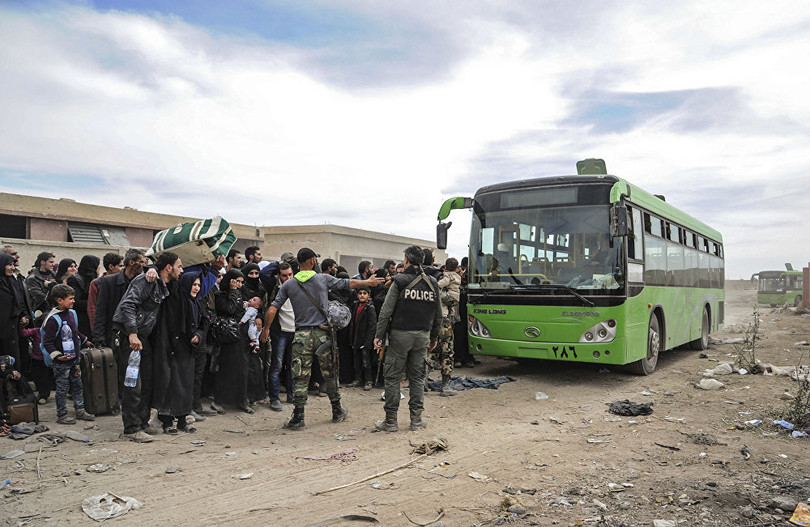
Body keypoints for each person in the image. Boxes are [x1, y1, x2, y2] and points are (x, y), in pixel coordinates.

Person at [260, 247, 381, 430]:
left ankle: (298, 418)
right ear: (311, 262)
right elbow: (347, 283)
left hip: (300, 335)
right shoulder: (322, 279)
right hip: (322, 334)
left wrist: (266, 329)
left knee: (300, 376)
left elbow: (272, 308)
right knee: (330, 373)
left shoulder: (289, 285)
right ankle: (337, 410)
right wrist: (369, 283)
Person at [113, 251, 183, 442]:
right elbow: (128, 306)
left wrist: (151, 268)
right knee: (132, 384)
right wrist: (133, 333)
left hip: (144, 339)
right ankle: (131, 428)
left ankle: (142, 423)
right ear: (168, 267)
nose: (181, 270)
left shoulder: (161, 284)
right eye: (179, 266)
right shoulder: (145, 281)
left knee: (148, 382)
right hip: (132, 338)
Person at [373, 245, 442, 432]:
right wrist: (434, 337)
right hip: (423, 336)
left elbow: (386, 312)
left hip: (400, 336)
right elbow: (438, 315)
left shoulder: (400, 281)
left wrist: (379, 335)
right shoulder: (433, 283)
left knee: (393, 377)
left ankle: (391, 421)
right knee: (418, 378)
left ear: (406, 260)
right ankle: (416, 421)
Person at [153, 271, 206, 434]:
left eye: (198, 285)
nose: (196, 288)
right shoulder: (174, 299)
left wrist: (197, 335)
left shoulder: (197, 303)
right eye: (193, 284)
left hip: (188, 351)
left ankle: (183, 419)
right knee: (171, 385)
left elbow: (203, 324)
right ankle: (167, 421)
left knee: (186, 385)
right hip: (172, 349)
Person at [41, 284, 95, 424]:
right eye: (70, 299)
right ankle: (62, 414)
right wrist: (57, 355)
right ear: (59, 300)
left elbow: (74, 331)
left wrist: (85, 340)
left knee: (77, 386)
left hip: (74, 359)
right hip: (61, 363)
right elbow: (47, 342)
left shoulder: (71, 314)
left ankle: (80, 410)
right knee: (62, 389)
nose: (73, 301)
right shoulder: (53, 319)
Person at [213, 269, 265, 414]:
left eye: (242, 282)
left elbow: (253, 307)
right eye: (237, 281)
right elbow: (229, 309)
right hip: (229, 336)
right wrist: (233, 291)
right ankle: (222, 401)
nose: (240, 285)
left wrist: (259, 317)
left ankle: (244, 399)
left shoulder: (243, 293)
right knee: (228, 368)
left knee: (246, 368)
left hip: (243, 336)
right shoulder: (220, 295)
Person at [266, 262, 295, 412]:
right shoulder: (275, 288)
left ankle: (291, 394)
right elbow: (264, 273)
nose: (287, 278)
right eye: (284, 275)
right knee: (276, 366)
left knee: (292, 366)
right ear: (278, 276)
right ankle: (274, 398)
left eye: (290, 274)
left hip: (295, 331)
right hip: (280, 332)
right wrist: (278, 263)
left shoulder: (298, 286)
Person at [431, 257, 462, 396]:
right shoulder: (447, 280)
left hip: (438, 319)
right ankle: (445, 386)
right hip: (445, 320)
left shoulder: (441, 277)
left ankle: (423, 379)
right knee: (447, 352)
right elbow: (451, 299)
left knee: (434, 350)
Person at [0, 254, 29, 364]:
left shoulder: (13, 281)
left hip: (12, 330)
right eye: (9, 265)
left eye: (13, 265)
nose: (13, 268)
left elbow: (20, 303)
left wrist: (24, 317)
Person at [87, 252, 123, 334]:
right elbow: (92, 308)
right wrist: (96, 332)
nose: (122, 268)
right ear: (111, 267)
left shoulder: (122, 282)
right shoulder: (97, 283)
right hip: (105, 327)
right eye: (120, 266)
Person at [350, 286, 377, 391]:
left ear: (368, 296)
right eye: (360, 293)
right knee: (357, 360)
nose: (362, 295)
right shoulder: (355, 305)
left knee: (366, 361)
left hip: (365, 339)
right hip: (356, 338)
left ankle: (368, 380)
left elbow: (372, 326)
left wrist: (368, 341)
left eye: (364, 293)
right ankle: (358, 379)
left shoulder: (370, 307)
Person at [67, 255, 100, 337]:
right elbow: (75, 302)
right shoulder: (74, 280)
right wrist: (94, 304)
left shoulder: (95, 280)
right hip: (80, 319)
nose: (99, 267)